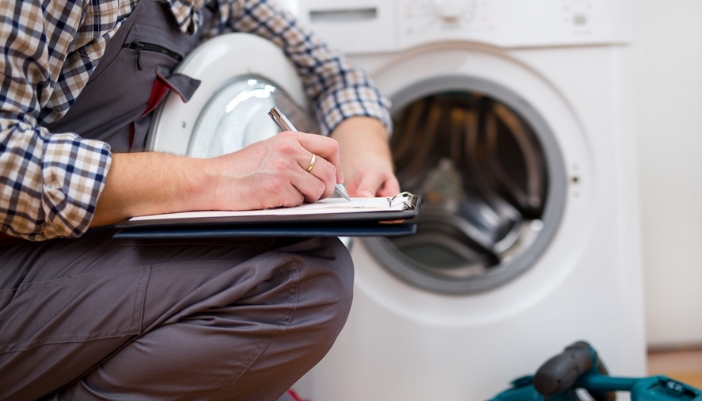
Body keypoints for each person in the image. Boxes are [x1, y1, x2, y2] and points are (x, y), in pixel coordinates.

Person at [0, 0, 400, 399]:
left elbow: (337, 76)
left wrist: (364, 157)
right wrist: (218, 178)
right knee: (296, 283)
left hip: (75, 252)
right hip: (18, 255)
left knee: (308, 271)